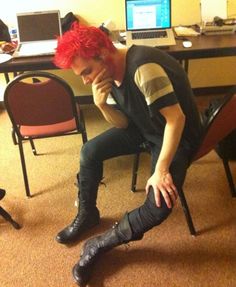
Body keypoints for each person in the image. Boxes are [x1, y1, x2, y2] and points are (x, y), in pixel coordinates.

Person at [53, 22, 202, 286]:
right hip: (145, 128)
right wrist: (101, 105)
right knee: (90, 151)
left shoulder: (143, 68)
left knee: (159, 204)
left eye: (86, 72)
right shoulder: (108, 75)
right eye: (81, 76)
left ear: (103, 52)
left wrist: (161, 170)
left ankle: (99, 244)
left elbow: (176, 120)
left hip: (174, 136)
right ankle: (88, 214)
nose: (86, 80)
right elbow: (123, 123)